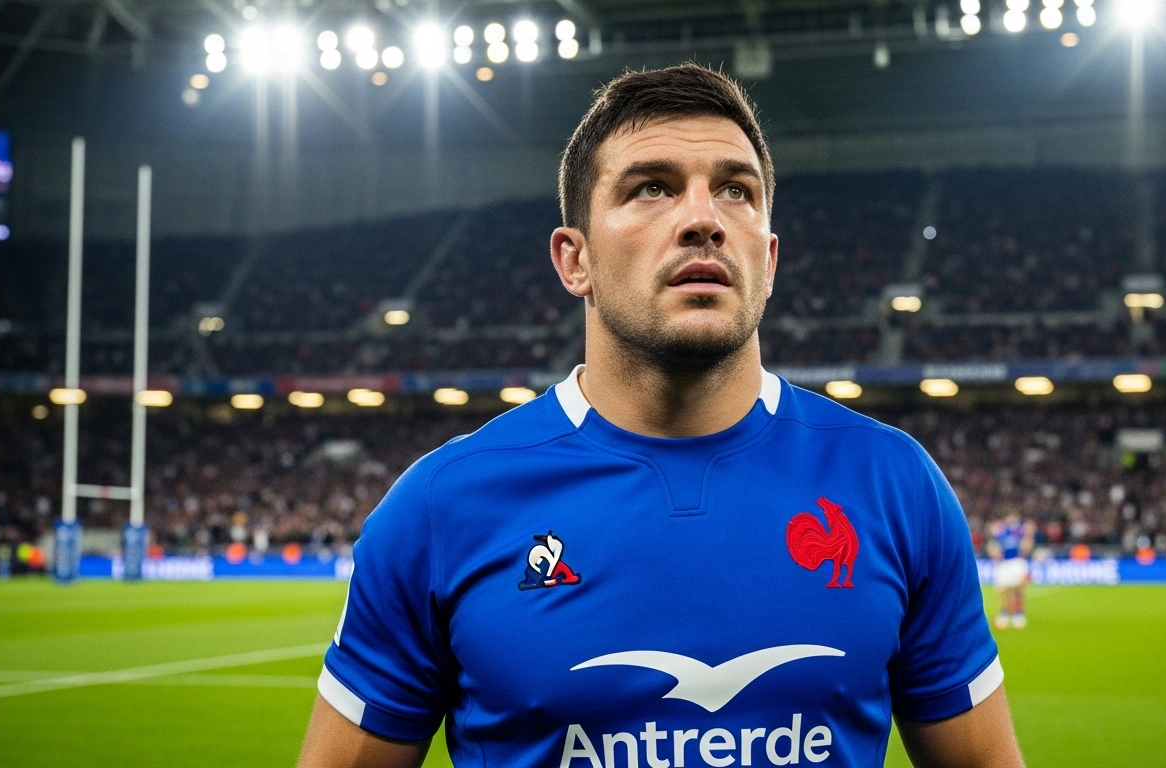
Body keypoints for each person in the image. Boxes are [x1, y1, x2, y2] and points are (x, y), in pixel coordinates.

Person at [297, 63, 1023, 768]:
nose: (704, 219)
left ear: (769, 261)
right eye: (651, 187)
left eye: (736, 191)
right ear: (574, 260)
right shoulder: (440, 506)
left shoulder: (896, 485)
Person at [987, 513, 1035, 630]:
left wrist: (1024, 550)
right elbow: (993, 544)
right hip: (1004, 563)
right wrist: (996, 555)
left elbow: (1028, 542)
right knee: (1004, 589)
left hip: (1017, 561)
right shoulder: (1001, 531)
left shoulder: (1021, 531)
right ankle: (1005, 611)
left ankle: (1019, 613)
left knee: (1018, 589)